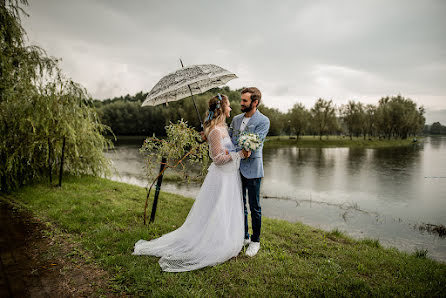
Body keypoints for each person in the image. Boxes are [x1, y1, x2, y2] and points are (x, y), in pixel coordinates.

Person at [133, 93, 250, 272]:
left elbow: (226, 151)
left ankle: (225, 238)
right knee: (217, 208)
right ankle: (211, 243)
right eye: (228, 106)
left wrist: (236, 150)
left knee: (227, 208)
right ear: (222, 108)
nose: (231, 109)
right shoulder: (216, 131)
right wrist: (239, 155)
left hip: (230, 175)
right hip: (221, 177)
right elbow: (217, 159)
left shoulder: (223, 127)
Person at [229, 87, 270, 257]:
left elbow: (256, 143)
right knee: (240, 205)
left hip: (253, 169)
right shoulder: (236, 119)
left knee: (255, 207)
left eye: (245, 101)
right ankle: (244, 236)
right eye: (241, 100)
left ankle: (255, 241)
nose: (241, 103)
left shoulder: (263, 120)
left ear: (255, 102)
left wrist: (240, 148)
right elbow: (230, 139)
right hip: (236, 168)